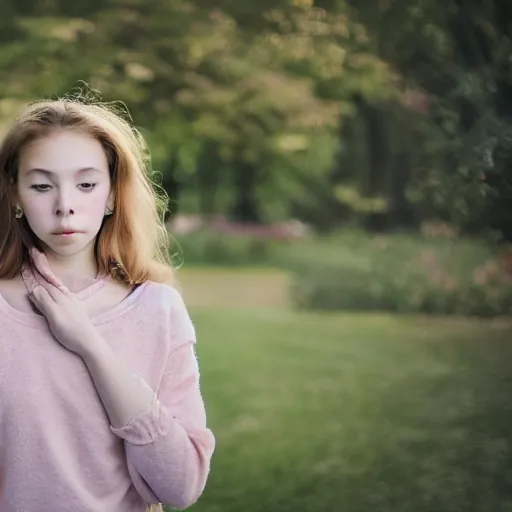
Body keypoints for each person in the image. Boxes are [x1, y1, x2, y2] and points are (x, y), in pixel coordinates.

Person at [0, 97, 215, 512]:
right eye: (42, 185)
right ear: (14, 194)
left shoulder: (158, 310)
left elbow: (181, 486)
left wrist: (90, 345)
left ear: (113, 194)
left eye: (86, 184)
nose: (65, 204)